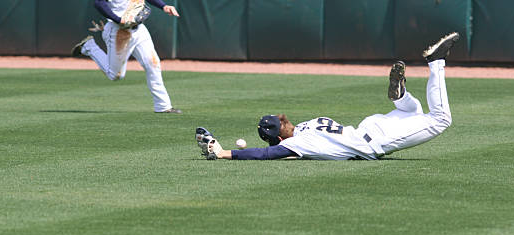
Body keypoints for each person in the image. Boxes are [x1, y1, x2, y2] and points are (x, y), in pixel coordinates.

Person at [196, 32, 460, 160]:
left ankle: (436, 62)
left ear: (279, 138)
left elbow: (265, 154)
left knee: (440, 119)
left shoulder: (300, 143)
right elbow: (277, 150)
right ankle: (400, 97)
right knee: (412, 112)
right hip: (370, 125)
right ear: (286, 122)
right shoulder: (308, 124)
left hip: (376, 140)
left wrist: (223, 152)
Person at [71, 0, 182, 114]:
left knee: (153, 64)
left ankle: (163, 106)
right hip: (118, 31)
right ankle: (89, 47)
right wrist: (118, 19)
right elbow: (99, 3)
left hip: (139, 30)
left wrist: (163, 6)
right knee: (115, 75)